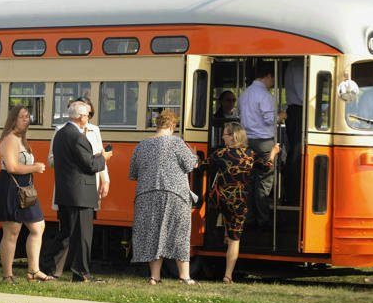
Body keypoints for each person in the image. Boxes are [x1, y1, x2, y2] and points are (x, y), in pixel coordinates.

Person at [41, 100, 112, 282]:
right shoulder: (78, 137)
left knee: (66, 233)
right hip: (80, 194)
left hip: (66, 192)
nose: (88, 118)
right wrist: (103, 158)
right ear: (80, 117)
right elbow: (89, 164)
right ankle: (81, 273)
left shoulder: (61, 133)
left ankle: (48, 267)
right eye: (87, 115)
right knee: (82, 236)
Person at [128, 109, 198, 285]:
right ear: (173, 125)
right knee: (179, 234)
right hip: (175, 194)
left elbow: (133, 173)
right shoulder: (177, 143)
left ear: (157, 125)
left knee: (153, 234)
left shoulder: (141, 145)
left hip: (146, 194)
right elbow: (191, 165)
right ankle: (184, 276)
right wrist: (195, 155)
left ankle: (155, 277)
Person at [205, 122, 280, 283]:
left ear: (232, 136)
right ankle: (228, 275)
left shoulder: (220, 154)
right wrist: (273, 152)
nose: (222, 136)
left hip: (221, 200)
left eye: (225, 134)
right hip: (239, 201)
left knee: (225, 219)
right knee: (235, 240)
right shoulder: (250, 154)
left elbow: (201, 167)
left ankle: (223, 232)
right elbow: (266, 167)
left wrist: (192, 156)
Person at [0, 106, 51, 283]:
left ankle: (33, 270)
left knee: (38, 227)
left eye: (27, 116)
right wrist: (35, 168)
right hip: (11, 186)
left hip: (26, 188)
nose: (26, 119)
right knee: (12, 231)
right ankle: (7, 275)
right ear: (13, 119)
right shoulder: (9, 139)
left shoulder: (22, 139)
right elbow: (12, 167)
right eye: (22, 117)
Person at [238, 62, 286, 229]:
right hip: (264, 142)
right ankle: (263, 219)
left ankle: (249, 217)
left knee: (249, 181)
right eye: (273, 78)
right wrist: (280, 116)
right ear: (267, 75)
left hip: (247, 142)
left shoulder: (244, 95)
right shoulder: (265, 96)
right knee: (264, 182)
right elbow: (269, 120)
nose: (273, 82)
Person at [282, 58, 304, 204]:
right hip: (298, 111)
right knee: (296, 154)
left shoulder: (296, 63)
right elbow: (304, 95)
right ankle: (294, 196)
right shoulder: (298, 64)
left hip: (297, 111)